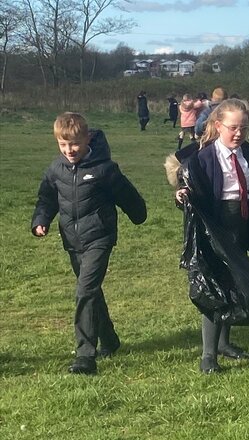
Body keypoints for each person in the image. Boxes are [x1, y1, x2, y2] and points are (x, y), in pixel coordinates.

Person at [173, 99, 249, 373]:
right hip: (215, 226)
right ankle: (208, 356)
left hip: (241, 224)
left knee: (234, 283)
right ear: (217, 125)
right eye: (233, 128)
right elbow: (190, 191)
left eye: (243, 128)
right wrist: (181, 196)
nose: (238, 133)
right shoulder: (204, 157)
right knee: (214, 286)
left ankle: (224, 343)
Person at [31, 112, 147, 374]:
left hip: (99, 238)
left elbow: (127, 194)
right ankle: (109, 339)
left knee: (85, 291)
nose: (69, 150)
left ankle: (85, 355)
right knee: (91, 291)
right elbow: (46, 199)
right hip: (72, 241)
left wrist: (138, 214)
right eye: (63, 145)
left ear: (87, 140)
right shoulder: (55, 169)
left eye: (74, 144)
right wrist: (41, 220)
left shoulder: (104, 169)